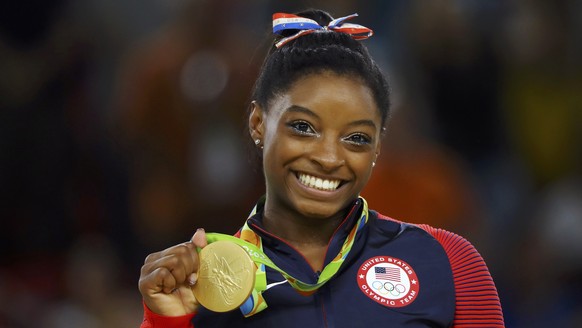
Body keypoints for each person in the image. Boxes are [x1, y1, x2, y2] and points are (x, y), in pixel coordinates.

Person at [138, 9, 504, 327]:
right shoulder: (200, 284)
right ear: (258, 123)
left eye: (357, 138)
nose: (329, 158)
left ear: (378, 147)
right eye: (303, 127)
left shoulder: (447, 261)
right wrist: (168, 322)